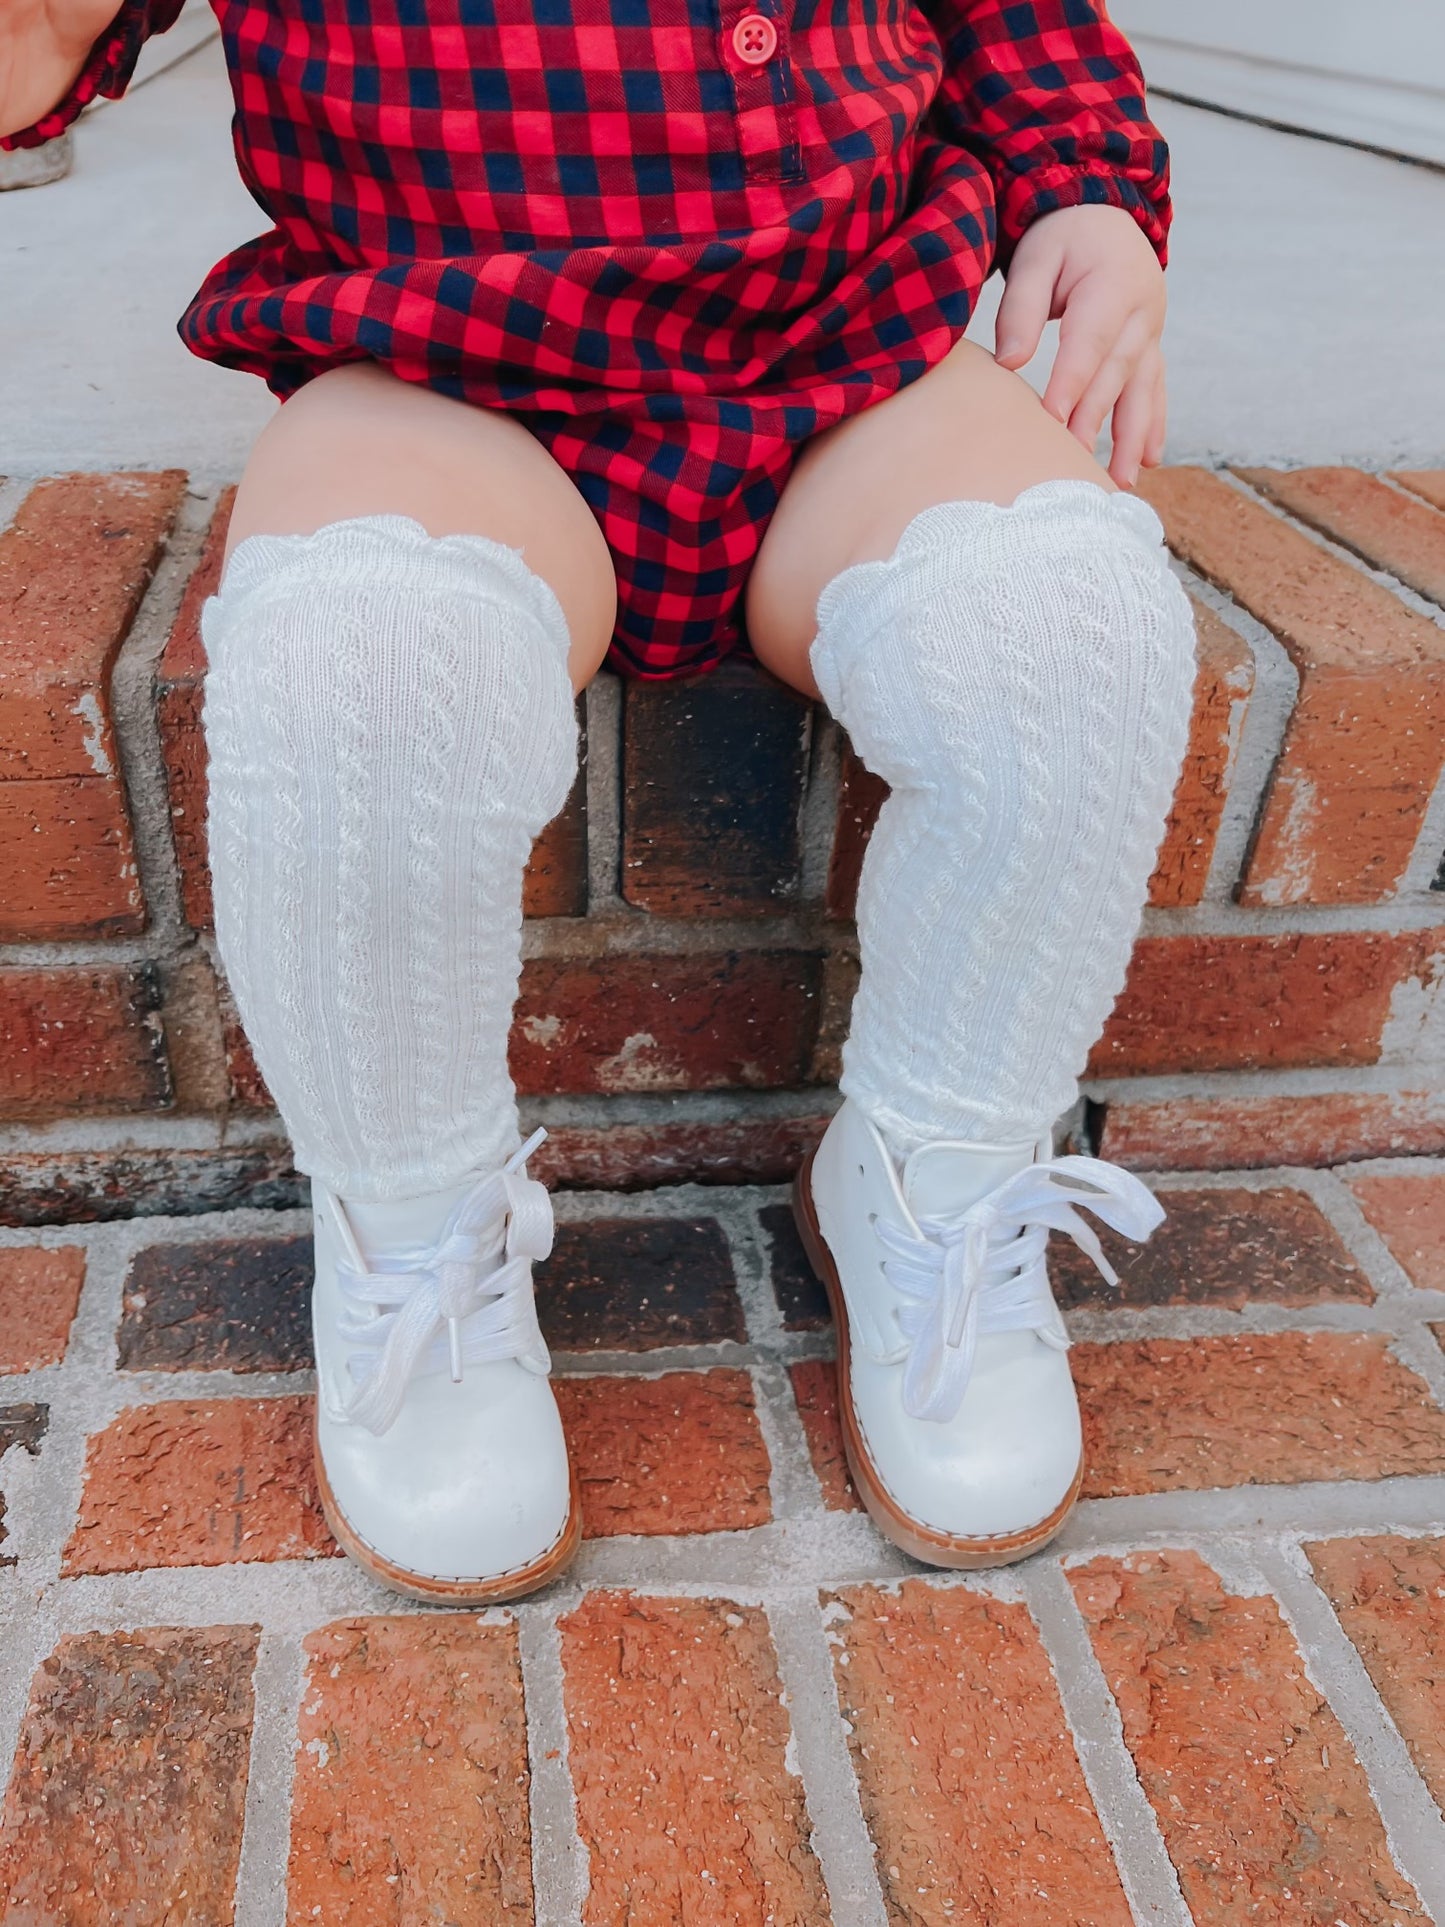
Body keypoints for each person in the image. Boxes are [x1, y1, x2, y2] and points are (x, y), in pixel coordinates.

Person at [2, 0, 1194, 1601]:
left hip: (851, 353)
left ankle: (932, 1175)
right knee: (358, 674)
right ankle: (413, 1231)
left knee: (1071, 637)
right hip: (443, 365)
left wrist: (1086, 188)